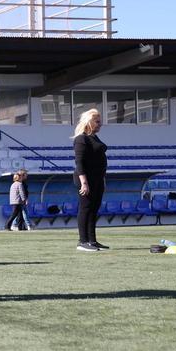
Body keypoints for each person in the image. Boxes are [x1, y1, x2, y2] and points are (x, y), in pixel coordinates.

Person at [73, 108, 108, 252]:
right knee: (85, 209)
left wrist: (102, 179)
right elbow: (79, 162)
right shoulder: (81, 138)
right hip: (86, 179)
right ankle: (82, 242)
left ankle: (92, 241)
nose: (100, 124)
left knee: (94, 210)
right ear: (89, 122)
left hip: (97, 179)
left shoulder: (94, 137)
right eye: (97, 122)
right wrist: (84, 182)